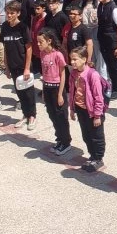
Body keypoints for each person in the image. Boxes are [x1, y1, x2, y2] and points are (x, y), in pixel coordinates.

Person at [68, 47, 107, 172]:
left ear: (84, 59)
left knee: (97, 136)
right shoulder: (73, 74)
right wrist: (72, 109)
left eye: (75, 59)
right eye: (71, 59)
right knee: (86, 135)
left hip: (93, 112)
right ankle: (92, 155)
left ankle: (99, 158)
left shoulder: (92, 75)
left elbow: (98, 97)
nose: (72, 62)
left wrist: (97, 115)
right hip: (81, 109)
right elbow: (72, 92)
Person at [1, 1, 36, 129]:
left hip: (23, 65)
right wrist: (6, 67)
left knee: (28, 92)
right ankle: (25, 115)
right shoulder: (4, 26)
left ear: (18, 13)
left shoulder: (22, 27)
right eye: (8, 13)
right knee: (20, 92)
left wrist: (27, 68)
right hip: (12, 64)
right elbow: (5, 47)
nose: (9, 15)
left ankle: (32, 116)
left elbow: (29, 48)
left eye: (12, 13)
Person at [37, 28, 72, 156]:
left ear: (49, 41)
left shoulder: (58, 55)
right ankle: (59, 139)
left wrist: (60, 94)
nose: (39, 44)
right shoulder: (42, 54)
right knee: (52, 115)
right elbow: (44, 73)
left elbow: (63, 74)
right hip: (47, 88)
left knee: (61, 117)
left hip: (57, 88)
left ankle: (66, 142)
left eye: (41, 42)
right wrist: (44, 92)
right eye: (38, 42)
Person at [96, 0, 117, 99]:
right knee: (109, 65)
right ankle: (112, 86)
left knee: (116, 67)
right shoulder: (101, 6)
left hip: (113, 43)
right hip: (104, 42)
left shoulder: (114, 9)